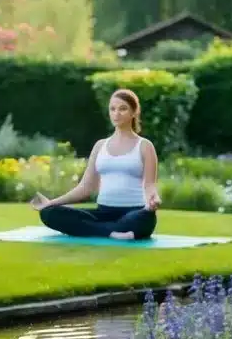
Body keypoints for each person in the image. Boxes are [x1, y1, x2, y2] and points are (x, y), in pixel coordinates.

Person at [29, 88, 161, 241]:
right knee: (49, 213)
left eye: (123, 109)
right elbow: (85, 187)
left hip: (135, 212)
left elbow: (150, 185)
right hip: (102, 213)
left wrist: (153, 199)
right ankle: (113, 232)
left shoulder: (145, 146)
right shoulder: (100, 146)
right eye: (112, 109)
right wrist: (51, 203)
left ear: (134, 112)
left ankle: (104, 230)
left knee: (145, 218)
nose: (116, 113)